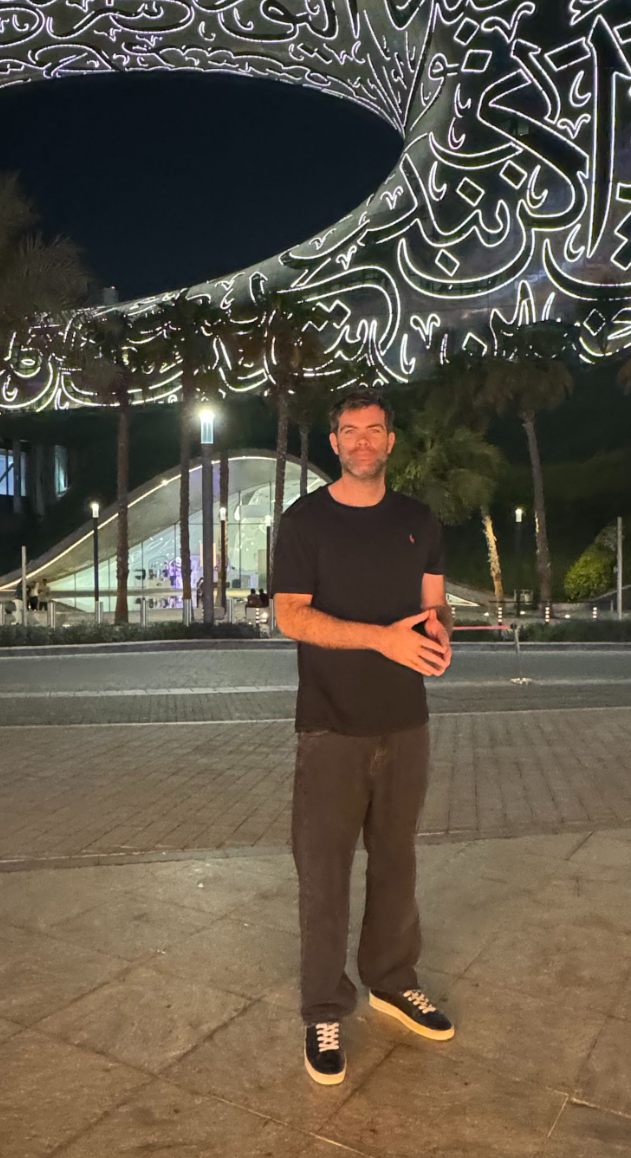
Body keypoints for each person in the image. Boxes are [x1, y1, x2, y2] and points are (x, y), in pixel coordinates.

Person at [270, 386, 454, 1086]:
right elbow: (291, 615)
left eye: (374, 429)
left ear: (390, 440)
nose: (363, 441)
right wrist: (381, 639)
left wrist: (440, 637)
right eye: (350, 431)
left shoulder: (418, 521)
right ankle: (323, 1006)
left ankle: (392, 979)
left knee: (396, 861)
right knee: (324, 874)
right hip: (330, 726)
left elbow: (434, 605)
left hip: (406, 722)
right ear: (335, 443)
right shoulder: (305, 522)